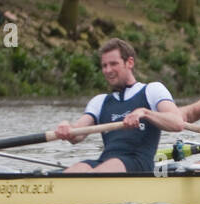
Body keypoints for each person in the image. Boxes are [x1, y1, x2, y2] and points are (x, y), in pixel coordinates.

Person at [54, 38, 184, 173]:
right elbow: (77, 135)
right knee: (78, 168)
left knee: (109, 167)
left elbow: (177, 123)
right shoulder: (100, 101)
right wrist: (67, 127)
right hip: (105, 162)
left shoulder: (152, 90)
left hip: (138, 165)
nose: (108, 70)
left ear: (130, 62)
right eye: (104, 66)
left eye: (113, 64)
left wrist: (145, 113)